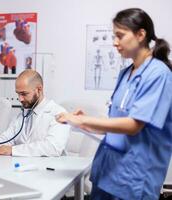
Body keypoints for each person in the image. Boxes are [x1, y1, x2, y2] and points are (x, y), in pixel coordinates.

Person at [56, 8, 172, 200]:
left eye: (120, 35)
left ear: (141, 34)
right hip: (108, 172)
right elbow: (114, 122)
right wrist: (80, 122)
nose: (115, 43)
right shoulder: (126, 74)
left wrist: (86, 120)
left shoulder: (158, 74)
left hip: (134, 177)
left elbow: (133, 125)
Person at [0, 69, 70, 156]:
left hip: (49, 167)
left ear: (39, 90)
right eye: (18, 94)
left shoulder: (58, 113)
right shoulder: (22, 116)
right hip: (22, 167)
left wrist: (13, 150)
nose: (20, 99)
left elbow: (53, 147)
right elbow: (5, 141)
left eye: (24, 94)